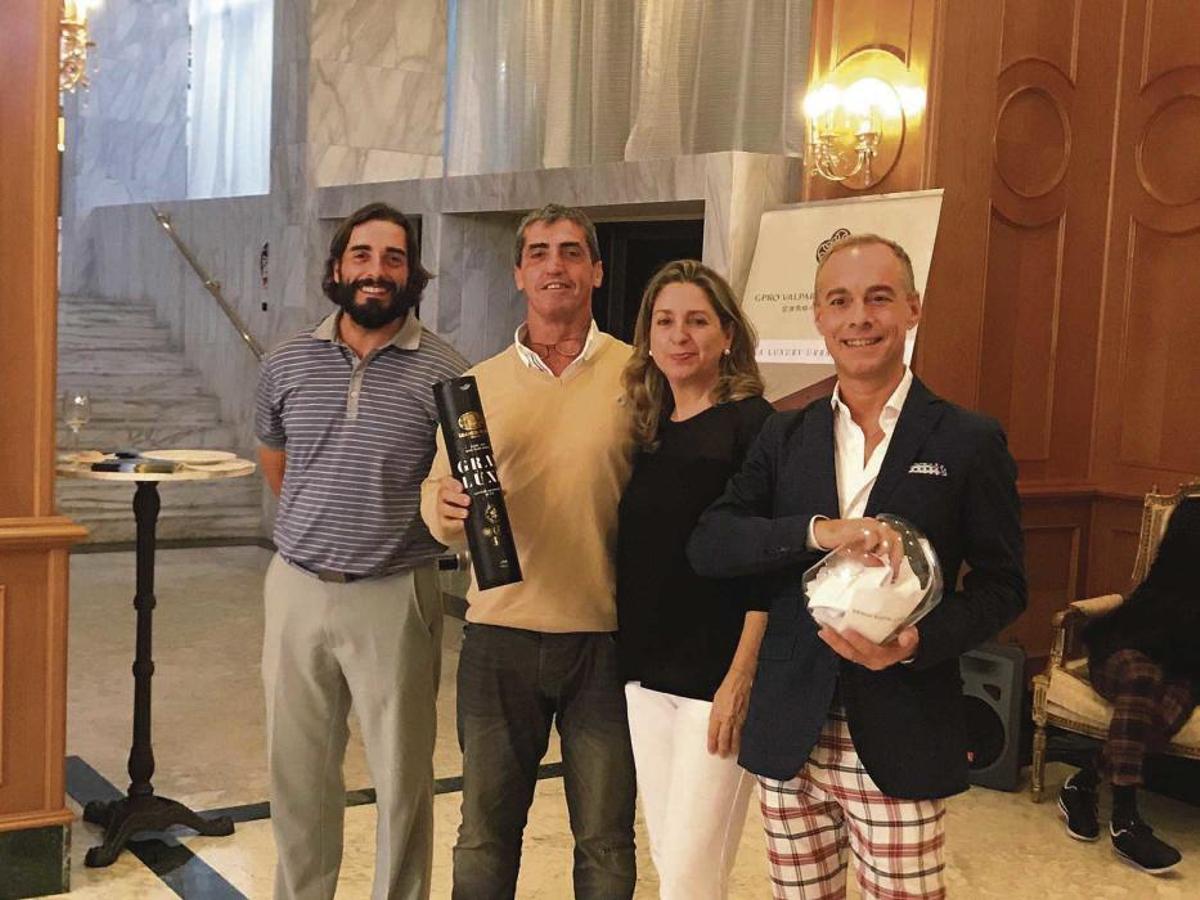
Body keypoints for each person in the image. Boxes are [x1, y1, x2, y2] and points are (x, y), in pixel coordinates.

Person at [687, 234, 1027, 900]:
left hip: (904, 726)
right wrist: (819, 532)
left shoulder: (968, 439)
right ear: (818, 316)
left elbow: (1004, 586)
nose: (859, 319)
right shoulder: (785, 434)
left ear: (912, 307)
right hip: (790, 729)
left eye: (878, 298)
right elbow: (712, 542)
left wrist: (916, 642)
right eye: (839, 301)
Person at [420, 203, 637, 899]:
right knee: (484, 835)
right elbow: (438, 492)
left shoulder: (640, 375)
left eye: (571, 252)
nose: (554, 266)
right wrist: (442, 509)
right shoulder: (475, 387)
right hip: (498, 636)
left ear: (596, 271)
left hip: (606, 640)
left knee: (606, 840)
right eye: (538, 253)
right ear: (518, 273)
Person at [255, 202, 468, 900]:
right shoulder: (286, 361)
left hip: (395, 592)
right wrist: (323, 527)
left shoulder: (447, 371)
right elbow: (277, 461)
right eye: (363, 255)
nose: (376, 270)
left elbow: (457, 481)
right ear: (338, 267)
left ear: (413, 274)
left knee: (402, 778)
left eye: (393, 258)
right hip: (296, 587)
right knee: (297, 772)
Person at [617, 260, 773, 899]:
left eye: (698, 321)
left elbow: (771, 564)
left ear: (728, 334)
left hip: (716, 680)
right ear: (648, 337)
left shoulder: (755, 426)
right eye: (665, 321)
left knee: (688, 874)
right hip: (645, 673)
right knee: (672, 860)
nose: (679, 336)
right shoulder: (649, 429)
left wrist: (742, 677)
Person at [1057, 493, 1199, 874]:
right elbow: (1165, 602)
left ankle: (1083, 782)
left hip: (1186, 664)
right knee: (1143, 677)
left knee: (1162, 713)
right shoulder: (1192, 515)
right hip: (1128, 644)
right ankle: (1125, 822)